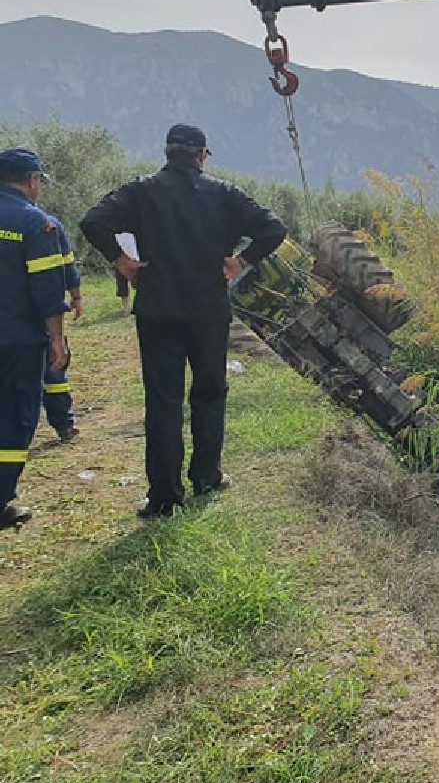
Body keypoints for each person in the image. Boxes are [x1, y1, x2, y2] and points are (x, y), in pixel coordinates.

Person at [80, 124, 287, 518]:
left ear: (166, 153)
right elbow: (274, 228)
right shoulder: (226, 195)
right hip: (208, 311)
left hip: (157, 310)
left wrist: (122, 262)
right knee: (210, 392)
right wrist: (241, 261)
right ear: (202, 156)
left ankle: (163, 497)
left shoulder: (141, 191)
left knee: (163, 401)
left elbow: (93, 221)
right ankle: (207, 476)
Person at [0, 148, 73, 530]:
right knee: (15, 419)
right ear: (32, 181)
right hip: (17, 341)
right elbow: (47, 291)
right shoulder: (35, 223)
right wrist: (57, 340)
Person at [41, 220, 83, 441]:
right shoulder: (46, 224)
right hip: (40, 310)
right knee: (55, 364)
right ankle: (64, 423)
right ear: (32, 183)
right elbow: (68, 266)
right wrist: (76, 296)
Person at [114, 232, 137, 312]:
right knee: (122, 284)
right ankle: (126, 308)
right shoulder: (116, 230)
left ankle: (137, 305)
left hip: (135, 258)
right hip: (120, 260)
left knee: (138, 283)